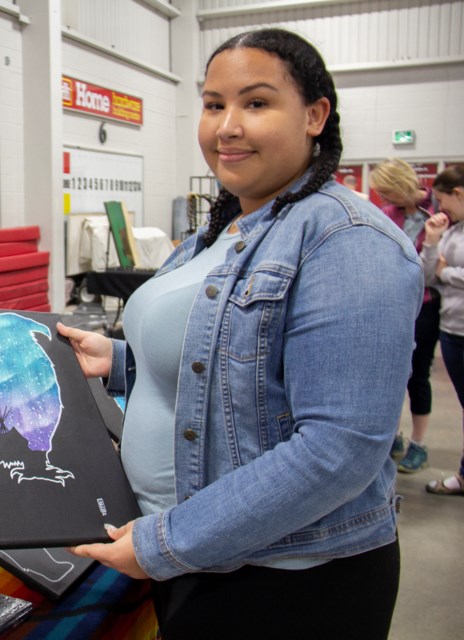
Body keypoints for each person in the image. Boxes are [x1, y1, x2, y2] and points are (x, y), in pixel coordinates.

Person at [58, 29, 422, 639]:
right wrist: (122, 359)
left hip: (286, 579)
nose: (227, 125)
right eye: (212, 104)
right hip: (200, 558)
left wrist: (169, 541)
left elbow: (339, 448)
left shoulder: (347, 240)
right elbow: (224, 362)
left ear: (314, 115)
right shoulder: (224, 230)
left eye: (255, 103)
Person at [369, 157, 440, 473]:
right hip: (393, 304)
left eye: (387, 192)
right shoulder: (387, 215)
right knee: (395, 374)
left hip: (425, 305)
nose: (384, 199)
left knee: (419, 376)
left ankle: (419, 444)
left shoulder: (439, 212)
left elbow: (433, 271)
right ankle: (394, 436)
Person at [421, 165, 464, 495]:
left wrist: (448, 272)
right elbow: (428, 276)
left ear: (458, 194)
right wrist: (432, 243)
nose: (441, 208)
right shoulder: (450, 230)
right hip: (451, 330)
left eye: (442, 200)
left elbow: (444, 274)